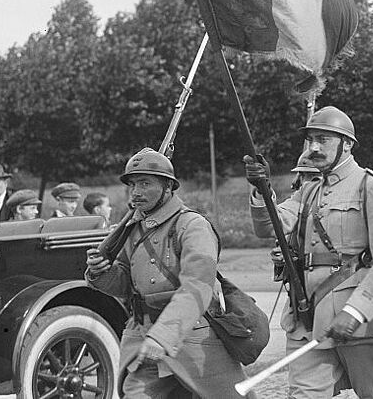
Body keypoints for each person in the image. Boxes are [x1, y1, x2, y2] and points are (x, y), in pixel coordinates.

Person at [243, 106, 373, 399]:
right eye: (311, 140)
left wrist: (356, 311)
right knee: (303, 394)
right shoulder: (309, 190)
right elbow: (271, 227)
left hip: (358, 318)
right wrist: (261, 190)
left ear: (347, 144)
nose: (314, 147)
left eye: (324, 140)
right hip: (308, 317)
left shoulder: (371, 186)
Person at [84, 148, 251, 398]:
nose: (136, 192)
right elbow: (125, 283)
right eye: (132, 185)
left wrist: (163, 337)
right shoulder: (134, 229)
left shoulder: (193, 226)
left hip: (193, 340)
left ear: (168, 187)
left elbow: (197, 287)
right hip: (142, 337)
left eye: (145, 183)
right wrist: (101, 273)